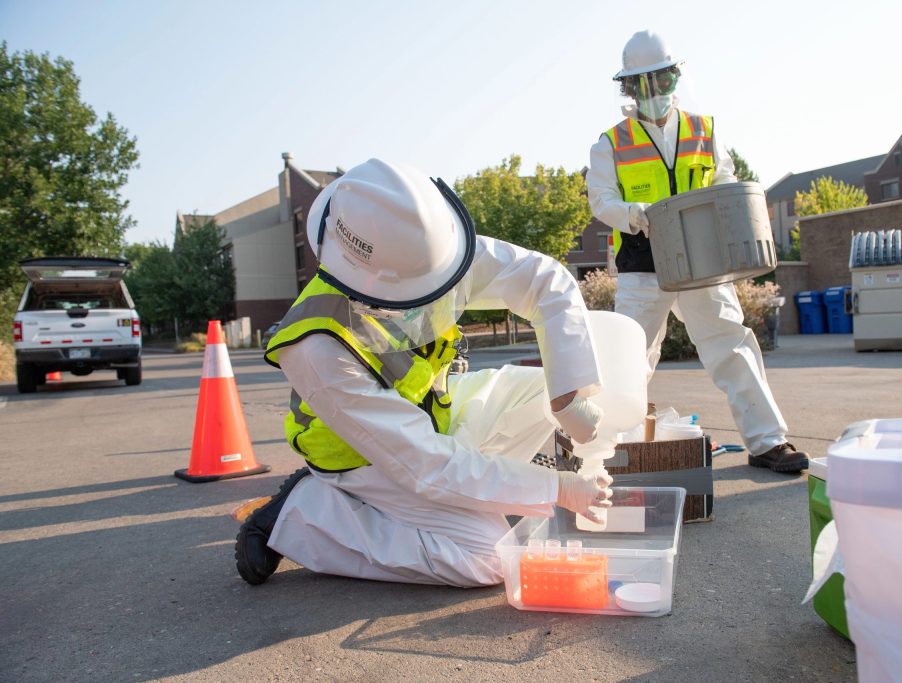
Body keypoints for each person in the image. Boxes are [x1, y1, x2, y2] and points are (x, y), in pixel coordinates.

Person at [235, 158, 615, 586]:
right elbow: (423, 466)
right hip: (365, 459)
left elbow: (543, 279)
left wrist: (568, 396)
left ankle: (476, 495)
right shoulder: (316, 346)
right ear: (373, 281)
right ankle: (307, 512)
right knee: (490, 558)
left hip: (434, 420)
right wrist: (555, 489)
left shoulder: (425, 250)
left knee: (543, 394)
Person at [586, 30, 808, 474]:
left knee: (731, 346)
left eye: (660, 81)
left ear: (673, 79)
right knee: (630, 357)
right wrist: (636, 214)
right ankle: (607, 451)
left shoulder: (703, 130)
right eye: (642, 84)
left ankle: (767, 443)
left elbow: (726, 183)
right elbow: (601, 200)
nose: (653, 92)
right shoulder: (610, 143)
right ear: (628, 89)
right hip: (643, 263)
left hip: (703, 263)